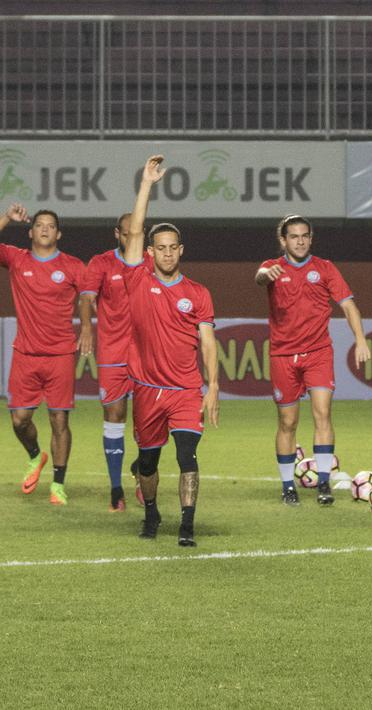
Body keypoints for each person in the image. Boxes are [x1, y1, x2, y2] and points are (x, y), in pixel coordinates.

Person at [122, 155, 219, 546]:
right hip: (146, 389)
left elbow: (208, 342)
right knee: (147, 462)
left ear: (181, 250)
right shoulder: (136, 279)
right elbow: (133, 233)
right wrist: (146, 184)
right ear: (150, 252)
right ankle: (151, 512)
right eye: (158, 247)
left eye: (171, 247)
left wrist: (212, 386)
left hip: (184, 390)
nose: (165, 253)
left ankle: (187, 526)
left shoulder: (197, 294)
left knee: (186, 457)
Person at [255, 215, 371, 506]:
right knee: (287, 422)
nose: (300, 241)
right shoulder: (272, 267)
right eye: (293, 236)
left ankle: (323, 483)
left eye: (305, 235)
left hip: (318, 353)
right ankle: (287, 486)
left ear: (311, 237)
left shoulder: (325, 268)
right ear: (283, 240)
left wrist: (360, 339)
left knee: (323, 413)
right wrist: (263, 276)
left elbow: (348, 305)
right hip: (282, 355)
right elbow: (259, 276)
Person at [0, 203, 85, 506]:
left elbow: (89, 295)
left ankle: (58, 484)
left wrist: (88, 326)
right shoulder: (16, 258)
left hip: (60, 354)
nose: (45, 228)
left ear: (58, 233)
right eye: (39, 224)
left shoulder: (73, 266)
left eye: (50, 225)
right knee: (19, 421)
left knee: (58, 420)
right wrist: (6, 218)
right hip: (25, 354)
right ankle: (36, 457)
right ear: (31, 231)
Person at [78, 213, 140, 511]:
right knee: (114, 417)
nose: (131, 239)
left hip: (147, 356)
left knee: (148, 422)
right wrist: (87, 327)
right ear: (117, 233)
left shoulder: (152, 261)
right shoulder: (101, 263)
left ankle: (143, 474)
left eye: (136, 233)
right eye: (127, 234)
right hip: (114, 355)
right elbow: (88, 298)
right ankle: (116, 487)